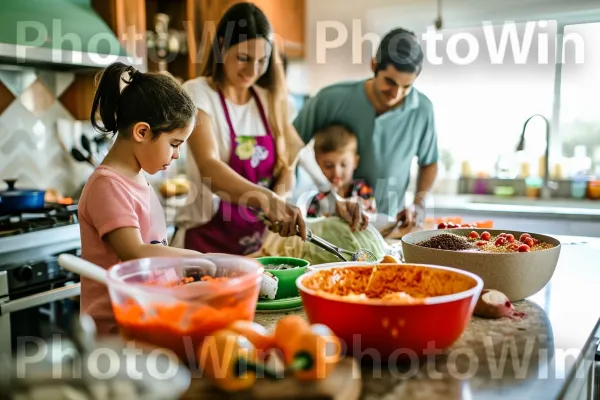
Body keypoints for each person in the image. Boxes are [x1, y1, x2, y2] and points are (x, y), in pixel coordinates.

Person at [172, 2, 367, 255]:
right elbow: (210, 168)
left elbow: (293, 160)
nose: (252, 71)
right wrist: (268, 200)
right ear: (221, 47)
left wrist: (333, 198)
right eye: (244, 57)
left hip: (260, 249)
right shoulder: (198, 92)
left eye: (262, 60)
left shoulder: (273, 100)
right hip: (204, 248)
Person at [78, 62, 201, 335]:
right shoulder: (107, 185)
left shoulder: (138, 179)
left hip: (145, 317)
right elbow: (135, 253)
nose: (177, 155)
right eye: (174, 144)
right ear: (142, 132)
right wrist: (199, 259)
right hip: (114, 331)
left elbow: (154, 250)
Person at [293, 27, 438, 230]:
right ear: (373, 65)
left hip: (388, 228)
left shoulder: (422, 110)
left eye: (406, 87)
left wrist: (419, 205)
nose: (396, 93)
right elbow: (290, 146)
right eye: (390, 81)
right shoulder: (331, 99)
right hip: (330, 223)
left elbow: (429, 163)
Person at [306, 124, 376, 218]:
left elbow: (369, 218)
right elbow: (309, 227)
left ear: (355, 162)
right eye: (329, 166)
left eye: (344, 165)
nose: (337, 172)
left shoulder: (362, 189)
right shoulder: (317, 200)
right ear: (318, 163)